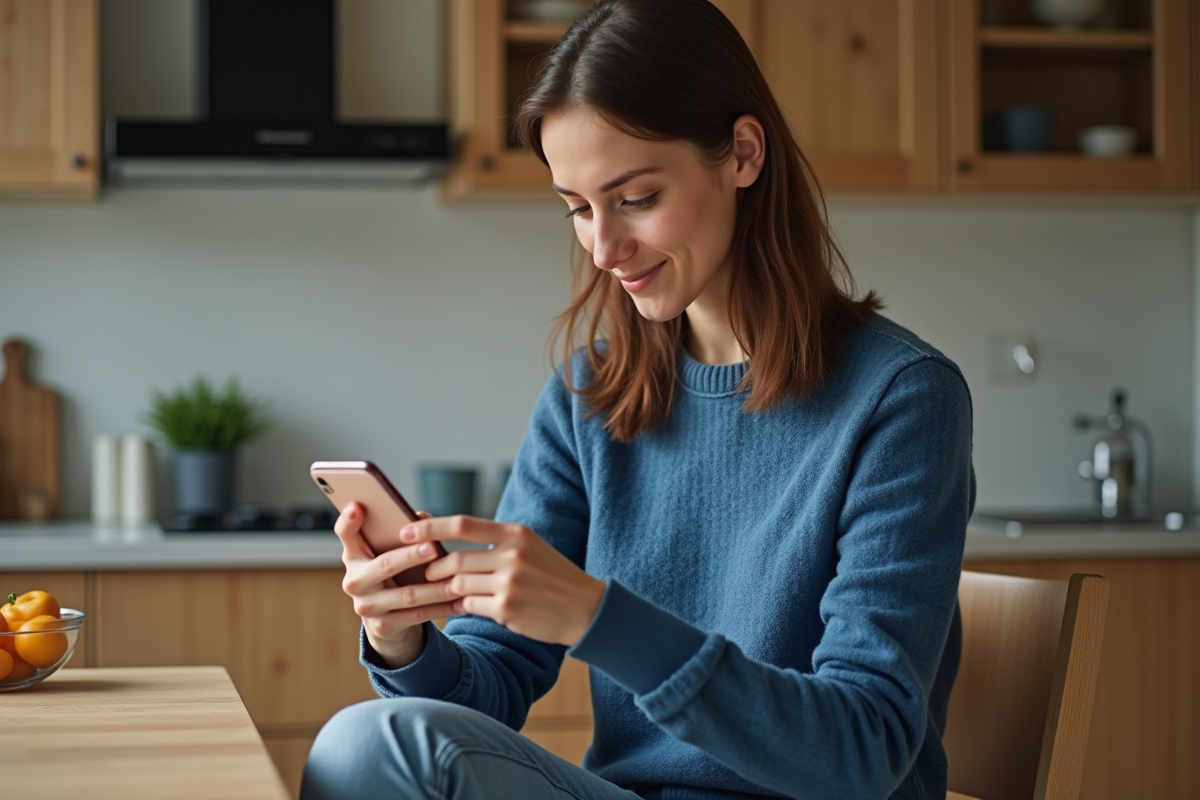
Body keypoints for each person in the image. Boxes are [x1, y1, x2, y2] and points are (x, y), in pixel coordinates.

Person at [300, 1, 974, 798]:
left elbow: (863, 752)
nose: (603, 248)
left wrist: (599, 617)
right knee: (366, 745)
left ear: (743, 154)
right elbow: (490, 687)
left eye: (637, 198)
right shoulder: (588, 395)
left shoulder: (901, 398)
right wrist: (404, 642)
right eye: (578, 209)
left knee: (366, 748)